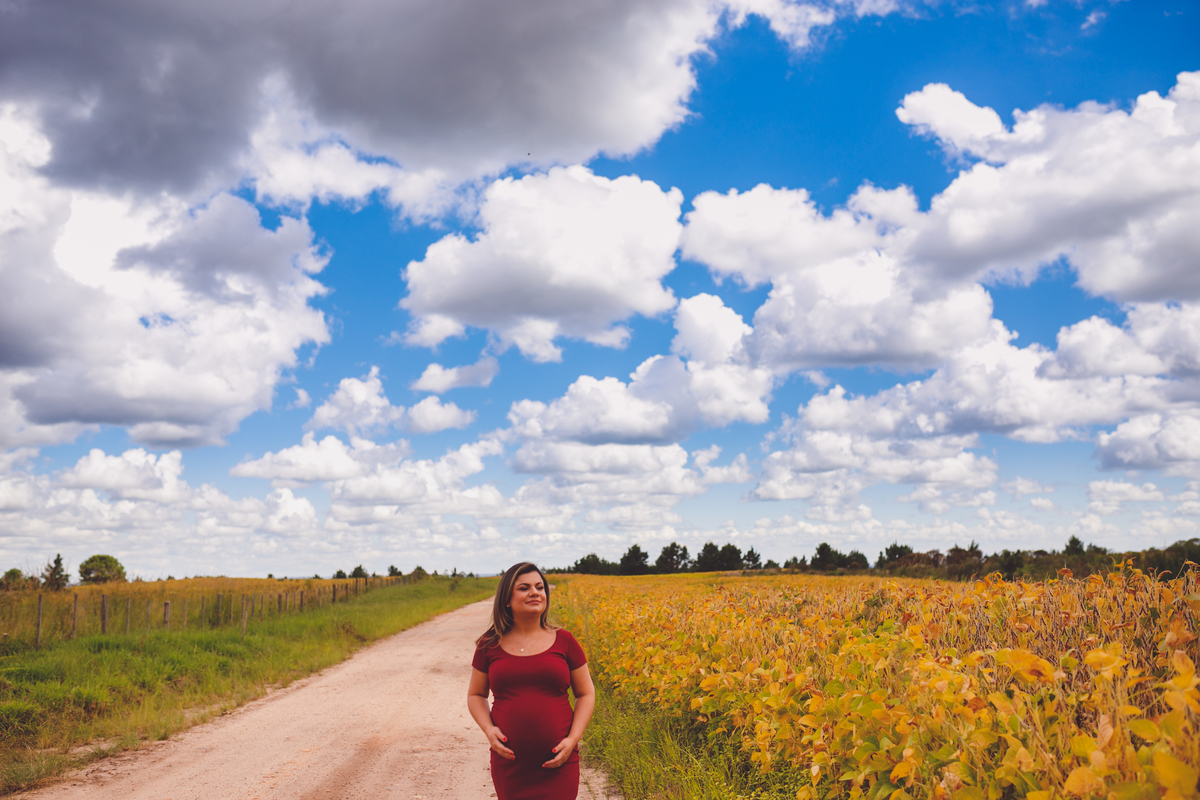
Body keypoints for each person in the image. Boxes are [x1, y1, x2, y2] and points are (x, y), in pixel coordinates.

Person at [468, 562, 595, 800]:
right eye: (524, 588)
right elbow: (476, 695)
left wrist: (573, 739)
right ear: (507, 598)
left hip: (560, 761)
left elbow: (586, 693)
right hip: (510, 764)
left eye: (539, 587)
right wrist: (489, 729)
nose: (535, 592)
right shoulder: (489, 643)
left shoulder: (565, 641)